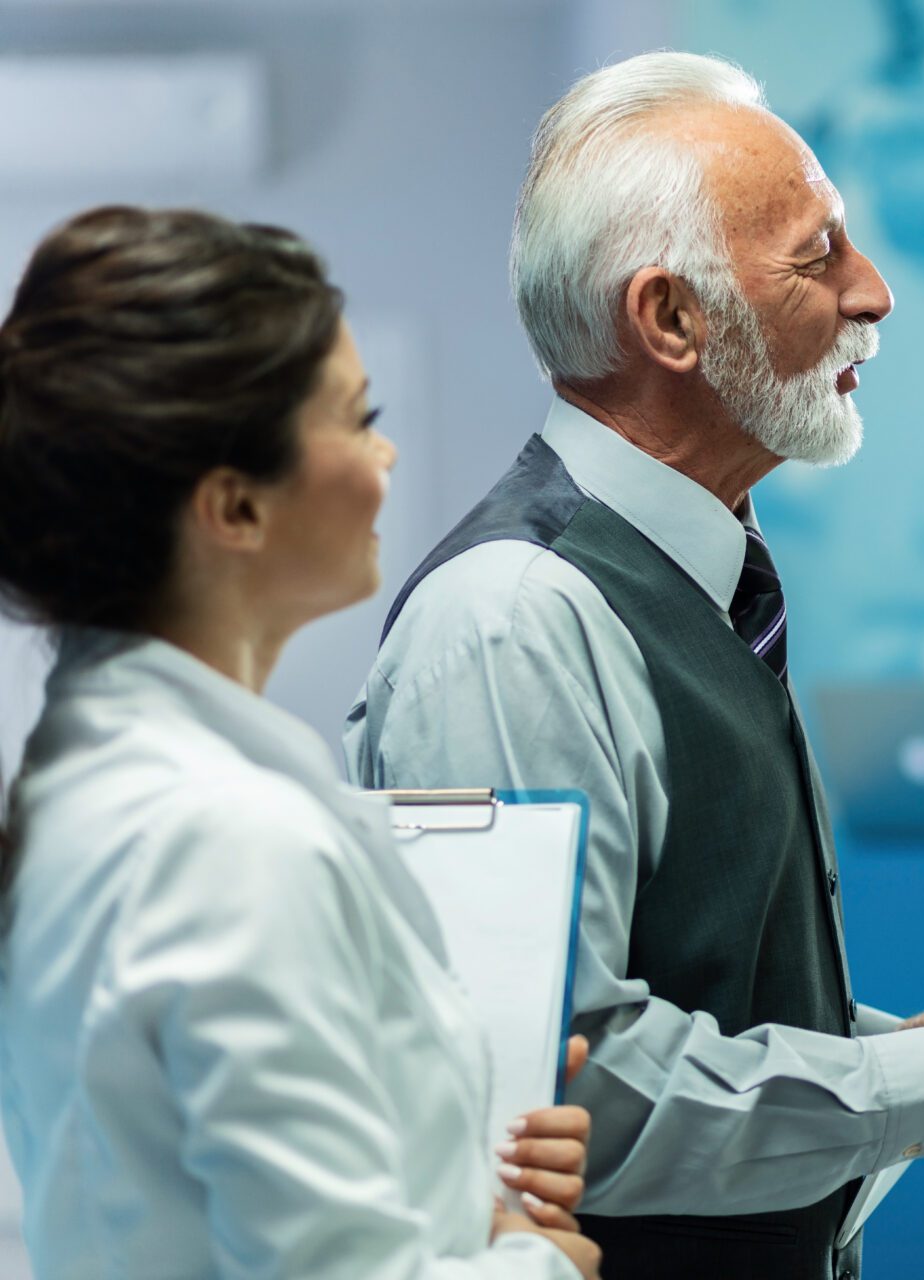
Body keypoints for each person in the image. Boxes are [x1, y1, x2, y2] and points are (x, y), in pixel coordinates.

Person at [346, 52, 924, 1280]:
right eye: (818, 255)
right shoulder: (513, 620)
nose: (875, 291)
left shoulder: (700, 577)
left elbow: (703, 998)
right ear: (670, 318)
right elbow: (566, 1084)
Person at [0, 207, 603, 1277]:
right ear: (234, 507)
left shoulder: (95, 786)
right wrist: (536, 1262)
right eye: (360, 419)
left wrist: (451, 1141)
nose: (387, 451)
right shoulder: (226, 840)